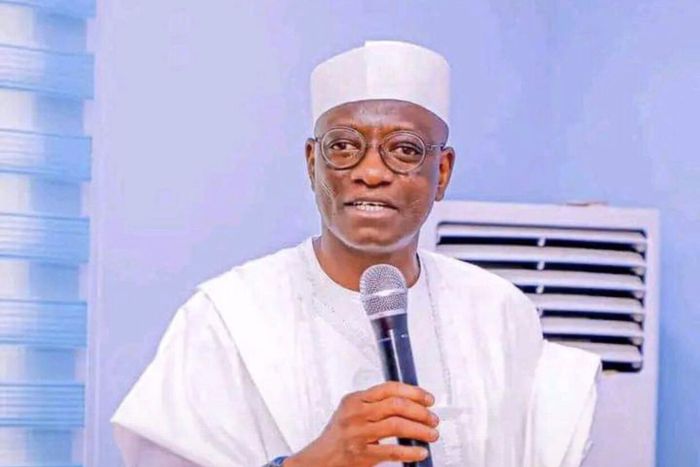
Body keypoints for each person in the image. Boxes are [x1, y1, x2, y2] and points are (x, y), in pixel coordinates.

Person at [112, 41, 600, 467]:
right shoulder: (226, 318)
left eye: (404, 150)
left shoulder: (497, 312)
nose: (371, 172)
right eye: (344, 147)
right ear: (312, 164)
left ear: (442, 172)